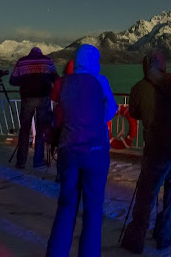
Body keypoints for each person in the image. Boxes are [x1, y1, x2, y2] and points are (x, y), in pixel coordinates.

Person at [46, 44, 118, 257]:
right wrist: (96, 119)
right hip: (95, 151)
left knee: (66, 206)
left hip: (68, 150)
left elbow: (58, 112)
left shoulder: (63, 83)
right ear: (94, 61)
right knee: (93, 213)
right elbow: (111, 111)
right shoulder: (100, 81)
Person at [121, 50, 171, 253]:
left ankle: (136, 238)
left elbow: (134, 112)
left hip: (156, 147)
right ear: (164, 65)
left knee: (147, 193)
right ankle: (166, 235)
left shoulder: (139, 88)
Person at [10, 47, 56, 169]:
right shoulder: (48, 61)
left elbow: (13, 80)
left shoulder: (22, 61)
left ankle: (21, 161)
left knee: (24, 130)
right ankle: (38, 160)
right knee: (41, 129)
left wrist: (25, 81)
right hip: (43, 98)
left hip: (27, 99)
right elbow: (55, 78)